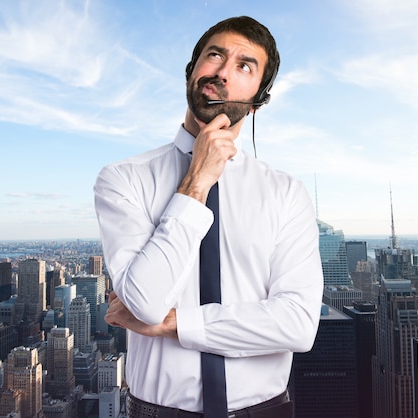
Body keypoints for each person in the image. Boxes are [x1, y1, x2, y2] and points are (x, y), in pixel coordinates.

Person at [94, 16, 323, 418]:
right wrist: (197, 181)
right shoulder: (124, 178)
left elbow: (298, 324)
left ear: (258, 99)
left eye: (244, 66)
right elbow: (145, 302)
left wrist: (176, 324)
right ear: (191, 72)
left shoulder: (286, 193)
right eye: (214, 55)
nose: (221, 72)